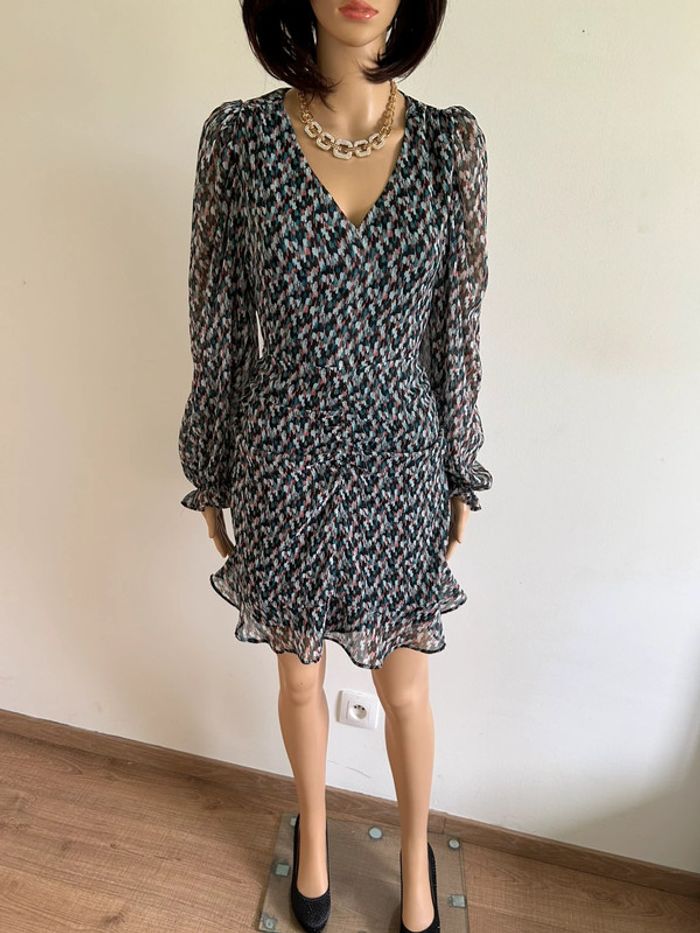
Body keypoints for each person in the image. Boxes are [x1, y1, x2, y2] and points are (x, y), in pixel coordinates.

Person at [178, 2, 492, 930]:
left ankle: (415, 855)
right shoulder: (240, 142)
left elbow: (458, 329)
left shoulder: (451, 147)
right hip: (282, 453)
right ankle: (312, 836)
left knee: (406, 684)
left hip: (403, 458)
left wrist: (461, 462)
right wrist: (211, 461)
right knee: (298, 677)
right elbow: (218, 322)